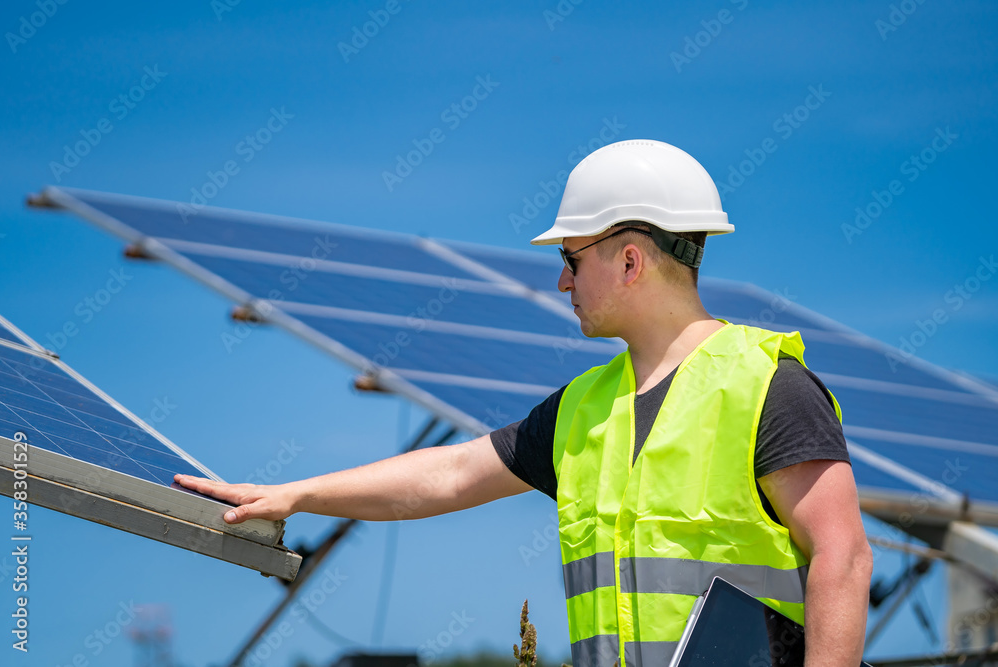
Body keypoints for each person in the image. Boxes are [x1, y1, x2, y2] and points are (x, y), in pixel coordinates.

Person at [176, 140, 872, 667]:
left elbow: (840, 555)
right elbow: (445, 476)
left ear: (630, 261)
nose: (562, 280)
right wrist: (294, 494)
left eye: (573, 258)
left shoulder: (766, 385)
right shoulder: (583, 410)